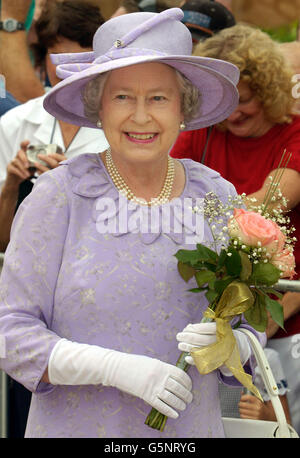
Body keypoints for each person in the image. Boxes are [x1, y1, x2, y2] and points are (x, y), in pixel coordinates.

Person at [0, 8, 265, 438]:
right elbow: (11, 333)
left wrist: (232, 347)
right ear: (98, 106)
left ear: (184, 107)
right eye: (123, 96)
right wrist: (113, 368)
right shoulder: (59, 196)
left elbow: (248, 332)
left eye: (159, 97)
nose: (141, 116)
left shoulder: (217, 197)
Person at [170, 23, 300, 434]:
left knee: (276, 427)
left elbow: (269, 204)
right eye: (226, 102)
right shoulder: (201, 134)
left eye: (246, 101)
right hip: (211, 321)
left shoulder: (294, 135)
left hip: (281, 322)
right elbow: (164, 194)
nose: (236, 113)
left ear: (271, 92)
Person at [0, 0, 109, 253]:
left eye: (82, 57)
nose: (69, 68)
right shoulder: (15, 123)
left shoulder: (123, 128)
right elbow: (2, 242)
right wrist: (12, 185)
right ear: (42, 57)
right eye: (58, 57)